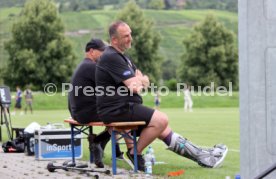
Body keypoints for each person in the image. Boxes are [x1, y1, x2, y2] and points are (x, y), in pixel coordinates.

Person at [96, 21, 228, 171]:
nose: (130, 38)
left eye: (130, 34)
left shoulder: (123, 58)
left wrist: (139, 80)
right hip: (117, 110)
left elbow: (143, 81)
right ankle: (134, 153)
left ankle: (203, 157)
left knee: (163, 128)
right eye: (126, 36)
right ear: (114, 40)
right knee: (161, 119)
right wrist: (139, 80)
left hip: (125, 108)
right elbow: (136, 87)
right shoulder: (111, 56)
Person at [68, 38, 123, 168]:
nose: (104, 54)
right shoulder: (92, 67)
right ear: (91, 51)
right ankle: (98, 142)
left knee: (117, 113)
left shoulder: (84, 65)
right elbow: (114, 86)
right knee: (124, 116)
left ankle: (99, 144)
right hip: (85, 113)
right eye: (102, 51)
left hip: (78, 112)